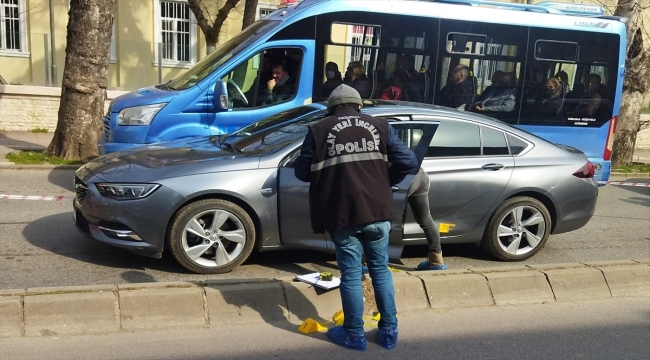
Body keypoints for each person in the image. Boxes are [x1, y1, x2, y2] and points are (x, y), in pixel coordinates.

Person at [294, 84, 418, 351]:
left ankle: (354, 334)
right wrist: (386, 181)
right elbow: (409, 161)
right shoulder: (381, 127)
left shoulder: (318, 130)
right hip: (378, 211)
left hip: (343, 213)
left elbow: (301, 172)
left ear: (331, 109)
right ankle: (388, 331)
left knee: (350, 274)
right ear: (359, 106)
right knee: (380, 270)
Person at [409, 167, 448, 270]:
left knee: (384, 218)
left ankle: (380, 264)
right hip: (420, 175)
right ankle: (437, 262)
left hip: (404, 177)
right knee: (426, 219)